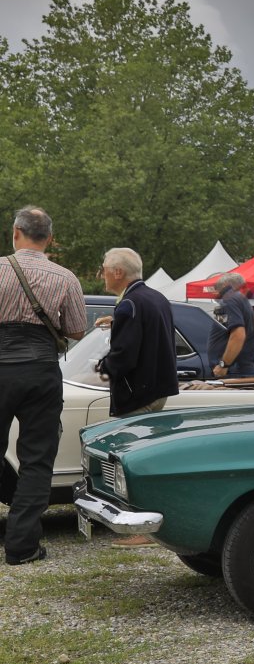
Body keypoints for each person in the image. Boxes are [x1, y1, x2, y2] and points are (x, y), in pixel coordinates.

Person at [0, 206, 86, 566]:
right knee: (37, 459)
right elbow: (77, 329)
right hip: (41, 369)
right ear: (50, 238)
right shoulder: (65, 277)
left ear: (15, 233)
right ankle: (22, 547)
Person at [95, 247, 179, 546]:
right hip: (158, 388)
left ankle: (144, 528)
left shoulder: (129, 303)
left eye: (104, 269)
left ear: (118, 272)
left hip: (137, 392)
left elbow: (124, 356)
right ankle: (152, 524)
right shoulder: (154, 297)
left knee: (132, 463)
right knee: (148, 457)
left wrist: (103, 366)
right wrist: (117, 322)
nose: (102, 275)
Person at [208, 272, 254, 378]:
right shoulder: (241, 300)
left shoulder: (230, 299)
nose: (215, 293)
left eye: (217, 288)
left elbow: (238, 335)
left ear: (226, 286)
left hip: (233, 371)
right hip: (240, 368)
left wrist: (223, 365)